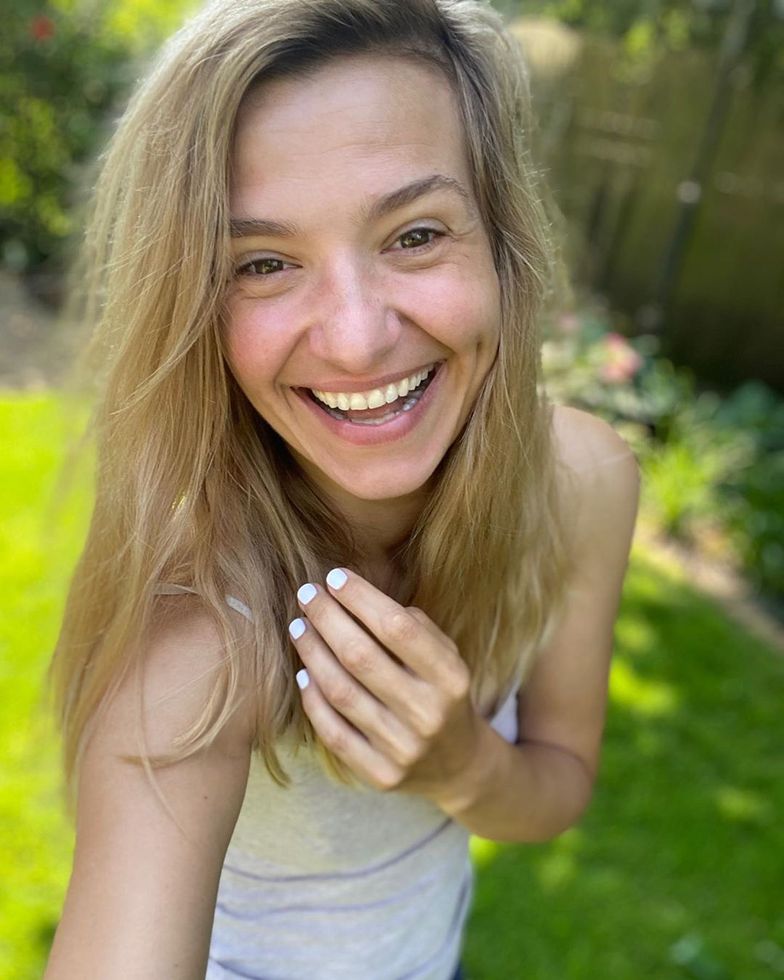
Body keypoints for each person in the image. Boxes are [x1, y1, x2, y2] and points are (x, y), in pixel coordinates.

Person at [44, 0, 640, 977]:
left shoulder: (582, 483)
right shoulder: (198, 634)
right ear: (191, 306)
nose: (358, 339)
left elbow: (559, 780)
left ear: (502, 242)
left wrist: (464, 764)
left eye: (414, 235)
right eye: (264, 263)